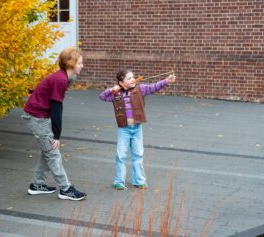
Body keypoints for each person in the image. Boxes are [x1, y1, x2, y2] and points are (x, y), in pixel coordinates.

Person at [22, 47, 86, 201]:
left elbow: (56, 106)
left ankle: (37, 185)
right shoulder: (60, 80)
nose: (82, 65)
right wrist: (56, 135)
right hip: (37, 117)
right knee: (53, 153)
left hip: (40, 115)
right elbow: (57, 108)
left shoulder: (63, 77)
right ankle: (65, 189)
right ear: (71, 64)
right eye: (80, 63)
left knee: (47, 151)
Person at [99, 69, 176, 190]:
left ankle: (139, 180)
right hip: (124, 129)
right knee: (121, 155)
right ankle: (119, 181)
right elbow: (102, 97)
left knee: (138, 155)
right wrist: (111, 90)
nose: (133, 79)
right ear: (121, 82)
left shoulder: (141, 89)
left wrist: (166, 81)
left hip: (137, 129)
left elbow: (154, 87)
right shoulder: (116, 94)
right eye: (129, 78)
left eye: (133, 77)